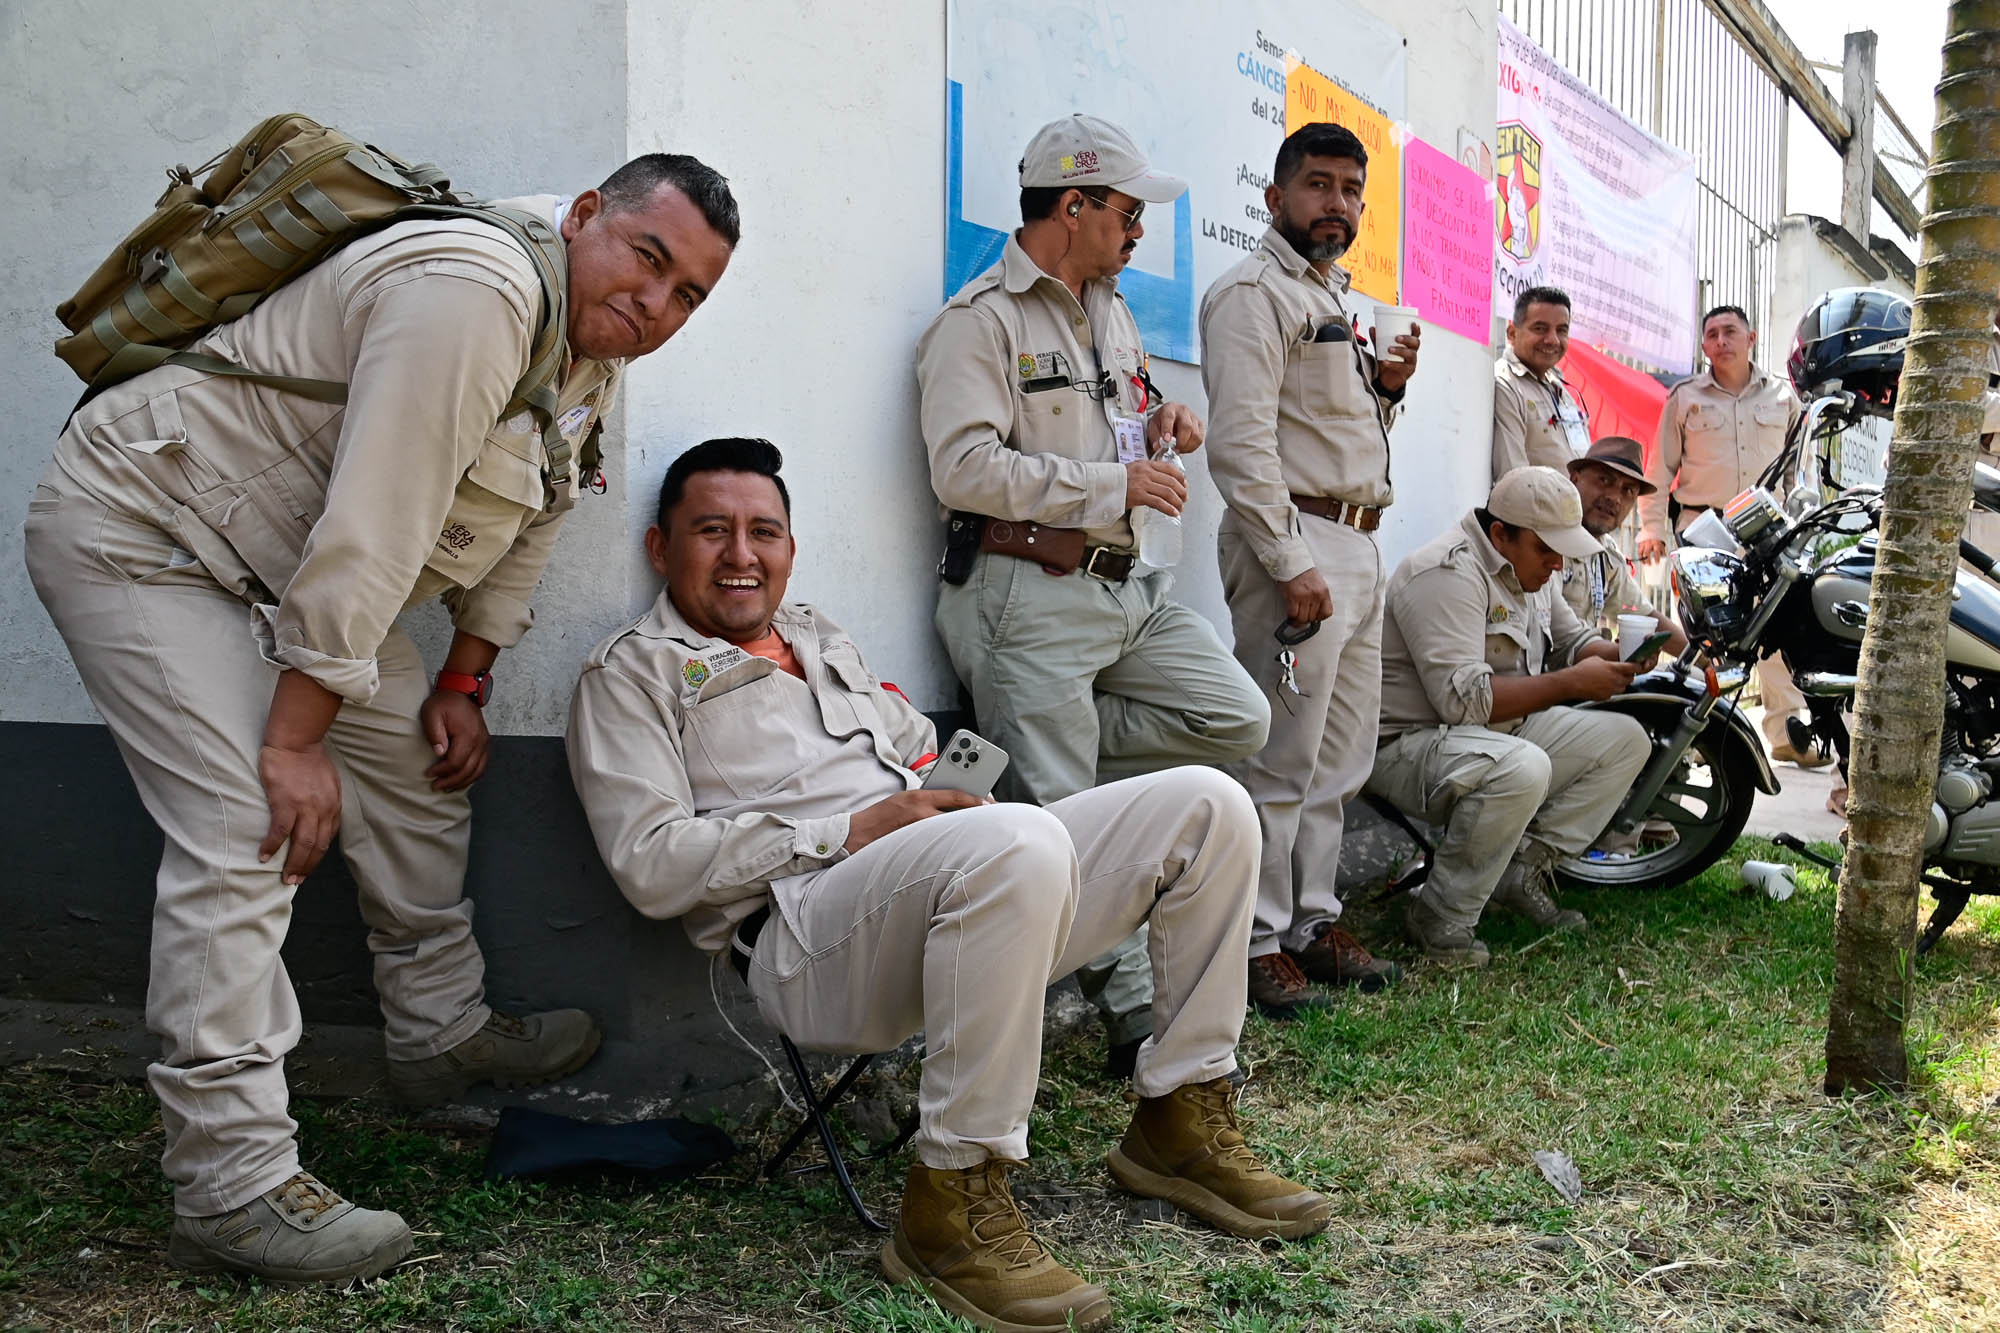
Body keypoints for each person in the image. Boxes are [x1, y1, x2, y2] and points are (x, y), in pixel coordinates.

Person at [23, 154, 739, 1283]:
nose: (656, 305)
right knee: (245, 824)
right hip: (147, 533)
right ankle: (231, 1185)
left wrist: (462, 678)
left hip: (271, 560)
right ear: (587, 214)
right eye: (648, 260)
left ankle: (437, 1030)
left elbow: (539, 506)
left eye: (688, 293)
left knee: (413, 755)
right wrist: (294, 740)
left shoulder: (586, 342)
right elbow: (376, 525)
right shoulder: (476, 291)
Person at [567, 438, 1328, 1333]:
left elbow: (915, 747)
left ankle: (1180, 1117)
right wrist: (853, 829)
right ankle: (950, 1204)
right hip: (806, 941)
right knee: (1015, 838)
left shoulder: (820, 637)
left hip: (958, 889)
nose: (741, 555)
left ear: (790, 548)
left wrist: (943, 787)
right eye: (711, 531)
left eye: (762, 532)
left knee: (1210, 804)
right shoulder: (631, 671)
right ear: (661, 548)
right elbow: (650, 864)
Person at [918, 115, 1268, 1074]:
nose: (1138, 232)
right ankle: (1134, 1019)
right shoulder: (978, 322)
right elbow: (964, 469)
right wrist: (1112, 488)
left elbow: (1116, 417)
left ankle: (1046, 746)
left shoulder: (1108, 311)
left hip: (1124, 587)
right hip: (1023, 589)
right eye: (1126, 212)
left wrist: (1165, 423)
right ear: (1071, 207)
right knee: (1067, 820)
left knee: (1236, 715)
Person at [1199, 121, 1414, 1017]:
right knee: (1281, 758)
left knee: (1339, 759)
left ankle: (1311, 923)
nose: (1337, 203)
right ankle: (1250, 940)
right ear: (1275, 196)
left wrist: (1389, 392)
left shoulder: (1332, 294)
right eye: (1318, 185)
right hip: (1300, 548)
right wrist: (1291, 562)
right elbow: (1242, 447)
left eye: (1351, 190)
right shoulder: (1253, 295)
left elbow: (1337, 437)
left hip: (1357, 545)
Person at [1366, 467, 1653, 966]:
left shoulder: (1531, 564)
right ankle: (1439, 917)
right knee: (1522, 767)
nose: (1557, 563)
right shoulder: (1445, 574)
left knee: (1627, 739)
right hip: (1409, 746)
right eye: (1548, 550)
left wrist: (1613, 653)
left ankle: (1516, 872)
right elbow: (1463, 704)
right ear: (1501, 534)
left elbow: (1569, 640)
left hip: (1495, 735)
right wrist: (1570, 684)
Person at [1637, 305, 1824, 767]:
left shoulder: (1784, 398)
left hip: (1769, 528)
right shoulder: (1685, 397)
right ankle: (1698, 734)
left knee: (1777, 628)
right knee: (1707, 635)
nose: (1721, 341)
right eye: (1713, 335)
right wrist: (1651, 528)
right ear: (1704, 347)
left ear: (1751, 338)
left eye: (1730, 332)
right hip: (1705, 529)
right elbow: (1659, 470)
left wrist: (1808, 523)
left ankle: (1786, 733)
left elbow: (1803, 471)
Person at [1563, 436, 1686, 653]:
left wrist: (1707, 664)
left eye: (1628, 490)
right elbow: (1562, 637)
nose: (1614, 498)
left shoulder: (1606, 555)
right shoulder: (1547, 542)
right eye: (1604, 480)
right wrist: (1618, 656)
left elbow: (1647, 618)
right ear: (1575, 478)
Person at [1491, 286, 1590, 480]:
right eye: (1540, 328)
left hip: (1576, 510)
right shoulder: (1505, 385)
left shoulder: (1562, 389)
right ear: (1512, 333)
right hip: (1538, 510)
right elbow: (1514, 481)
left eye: (1562, 330)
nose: (1552, 340)